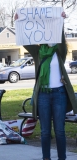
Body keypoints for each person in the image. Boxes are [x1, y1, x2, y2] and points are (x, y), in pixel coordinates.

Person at [15, 12, 77, 160]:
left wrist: (60, 20)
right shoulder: (38, 51)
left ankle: (62, 157)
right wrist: (18, 23)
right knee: (45, 132)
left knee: (60, 131)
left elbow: (61, 38)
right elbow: (24, 40)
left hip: (59, 94)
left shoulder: (59, 51)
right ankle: (46, 158)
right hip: (43, 94)